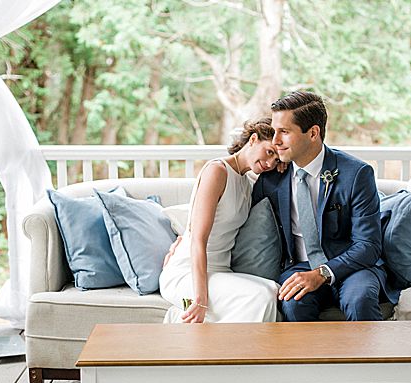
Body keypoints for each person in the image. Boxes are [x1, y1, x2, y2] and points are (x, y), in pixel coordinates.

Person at [251, 91, 387, 322]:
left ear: (313, 133)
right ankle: (309, 360)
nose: (275, 141)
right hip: (298, 267)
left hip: (353, 267)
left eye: (284, 132)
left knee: (360, 300)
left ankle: (367, 359)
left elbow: (368, 245)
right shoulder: (272, 177)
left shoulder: (356, 174)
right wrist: (189, 237)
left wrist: (323, 273)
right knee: (293, 304)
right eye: (274, 131)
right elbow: (238, 212)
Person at [159, 117, 282, 324]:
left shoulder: (247, 181)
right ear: (253, 139)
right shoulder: (217, 171)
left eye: (277, 160)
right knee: (261, 296)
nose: (270, 163)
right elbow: (198, 239)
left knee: (273, 290)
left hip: (220, 271)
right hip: (187, 273)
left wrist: (283, 167)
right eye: (269, 151)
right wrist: (200, 300)